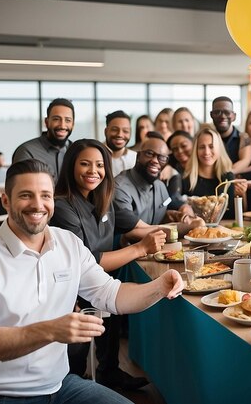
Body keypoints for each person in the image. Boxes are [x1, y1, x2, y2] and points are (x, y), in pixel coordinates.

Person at [0, 159, 184, 402]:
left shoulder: (68, 243)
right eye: (26, 195)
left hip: (59, 386)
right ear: (6, 201)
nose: (38, 205)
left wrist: (160, 286)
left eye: (45, 196)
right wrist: (50, 330)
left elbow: (112, 295)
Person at [50, 139, 166, 390]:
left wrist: (189, 227)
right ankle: (73, 387)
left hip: (101, 285)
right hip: (72, 290)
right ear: (71, 166)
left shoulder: (103, 197)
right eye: (85, 164)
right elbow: (88, 260)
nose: (93, 171)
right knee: (75, 359)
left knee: (111, 327)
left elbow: (139, 227)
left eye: (100, 165)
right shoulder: (62, 206)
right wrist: (139, 248)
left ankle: (108, 373)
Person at [113, 135, 200, 242]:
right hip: (124, 252)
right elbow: (137, 229)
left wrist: (174, 215)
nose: (155, 161)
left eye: (162, 158)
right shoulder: (119, 187)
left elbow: (159, 216)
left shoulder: (160, 186)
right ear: (138, 156)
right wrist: (191, 226)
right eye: (149, 153)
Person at [182, 128, 248, 220]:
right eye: (201, 147)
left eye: (211, 146)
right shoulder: (186, 179)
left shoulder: (228, 178)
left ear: (219, 149)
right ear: (195, 151)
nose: (206, 152)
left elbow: (235, 216)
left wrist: (241, 195)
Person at [12, 98, 75, 182]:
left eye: (68, 120)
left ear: (73, 124)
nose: (62, 125)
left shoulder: (77, 152)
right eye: (56, 119)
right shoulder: (26, 151)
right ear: (46, 122)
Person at [209, 96, 251, 174]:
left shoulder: (244, 138)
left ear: (234, 116)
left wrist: (225, 174)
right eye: (217, 112)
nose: (222, 116)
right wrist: (249, 169)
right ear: (211, 115)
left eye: (227, 112)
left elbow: (245, 161)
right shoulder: (207, 138)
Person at [104, 110, 137, 177]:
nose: (120, 135)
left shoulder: (135, 158)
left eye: (125, 131)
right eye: (114, 129)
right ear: (106, 131)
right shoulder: (95, 156)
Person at [166, 130, 194, 198]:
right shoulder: (172, 171)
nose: (180, 151)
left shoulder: (205, 167)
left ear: (194, 144)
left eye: (184, 146)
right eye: (175, 149)